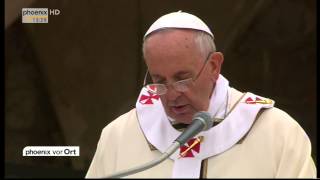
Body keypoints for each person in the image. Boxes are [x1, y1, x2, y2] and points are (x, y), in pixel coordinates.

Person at [85, 11, 317, 178]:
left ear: (214, 66)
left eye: (182, 78)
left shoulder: (277, 133)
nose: (172, 95)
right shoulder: (118, 136)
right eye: (159, 81)